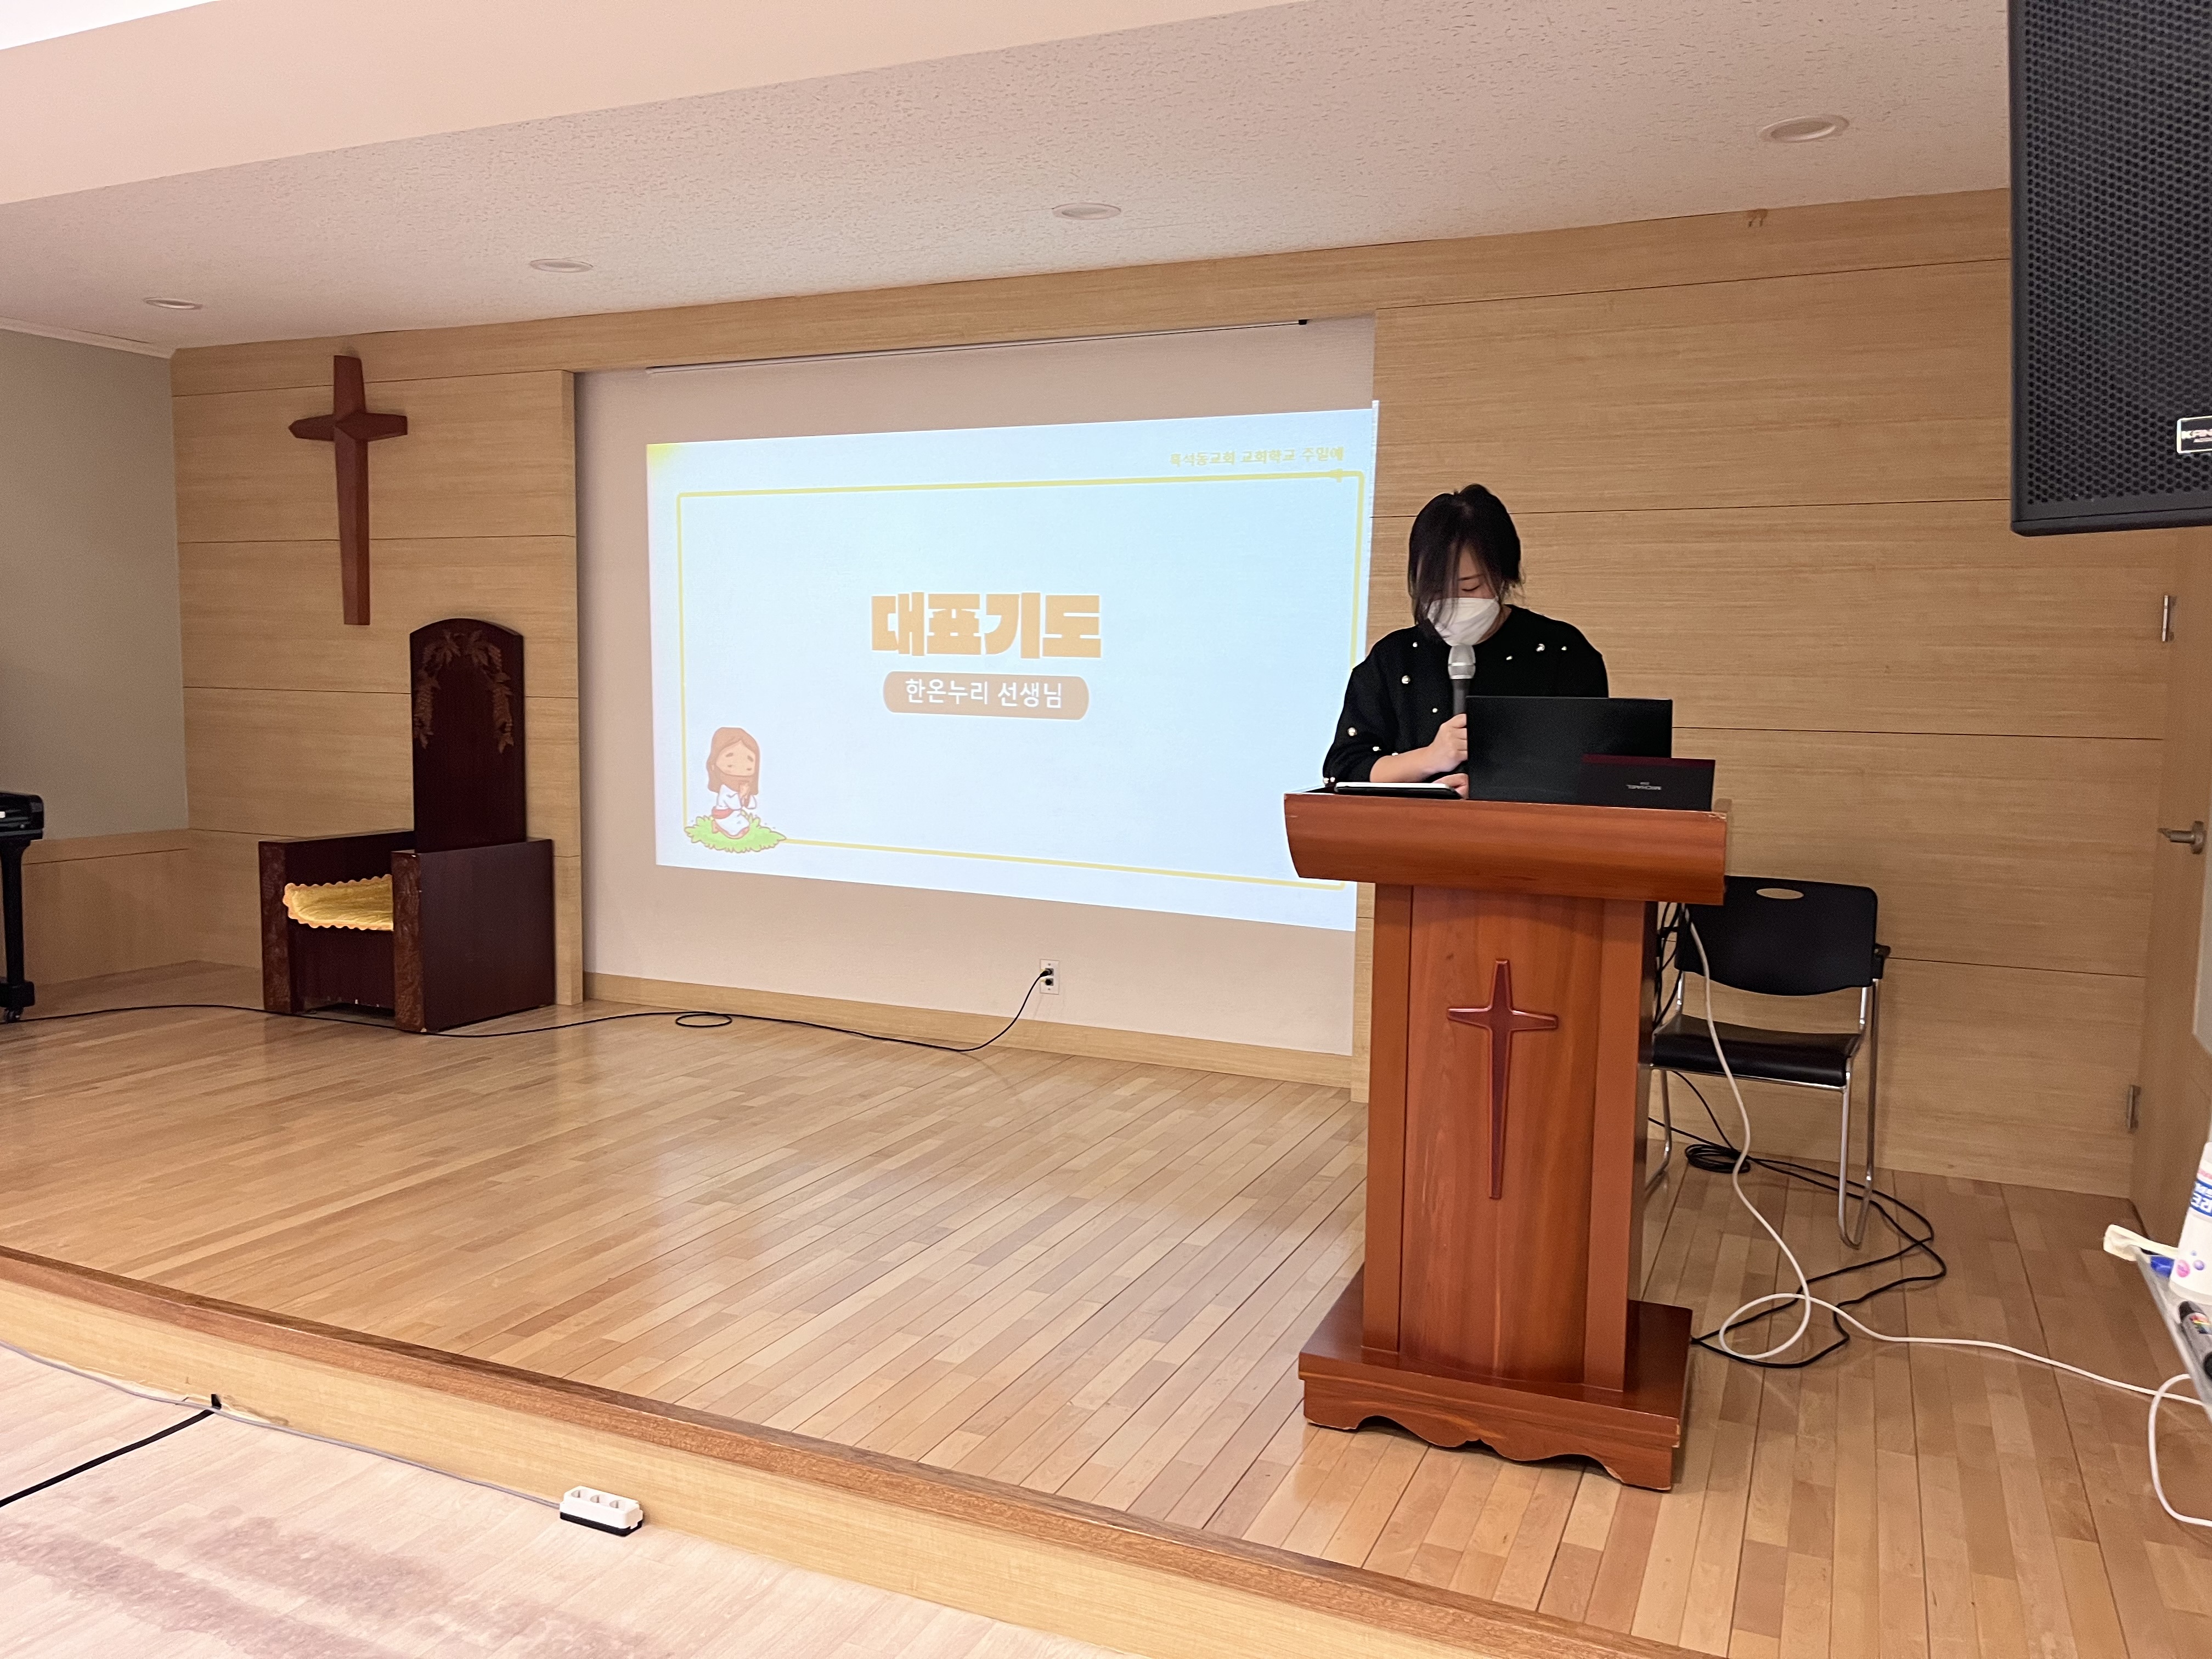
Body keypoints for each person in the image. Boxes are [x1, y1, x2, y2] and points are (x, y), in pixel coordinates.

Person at [1324, 484, 1605, 794]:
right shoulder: (1394, 658)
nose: (1453, 602)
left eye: (1470, 588)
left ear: (1503, 574)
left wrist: (1491, 791)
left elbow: (1590, 771)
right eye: (1435, 590)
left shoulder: (1561, 652)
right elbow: (1345, 769)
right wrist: (1431, 758)